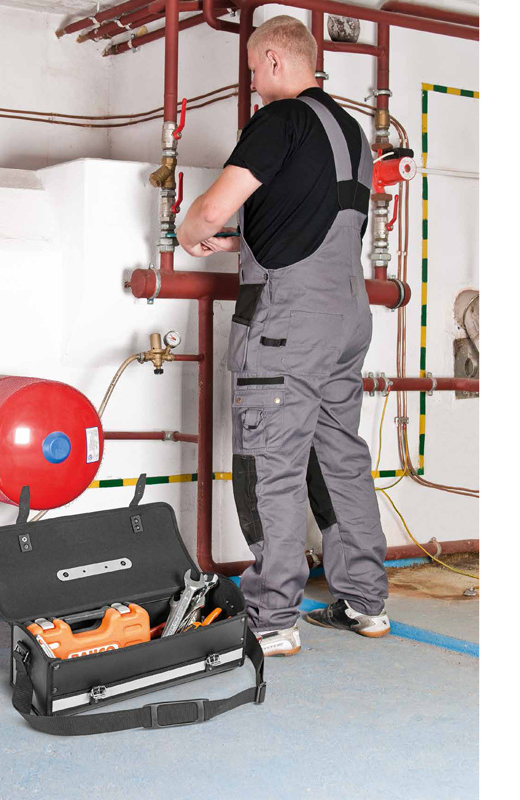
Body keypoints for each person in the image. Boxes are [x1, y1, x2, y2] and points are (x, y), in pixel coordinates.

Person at [177, 15, 389, 656]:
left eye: (251, 69)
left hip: (287, 323)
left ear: (273, 58)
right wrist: (241, 241)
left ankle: (272, 619)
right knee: (340, 457)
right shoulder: (351, 132)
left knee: (270, 463)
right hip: (346, 314)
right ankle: (365, 602)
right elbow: (311, 221)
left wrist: (192, 231)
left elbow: (211, 209)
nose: (252, 81)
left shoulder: (279, 120)